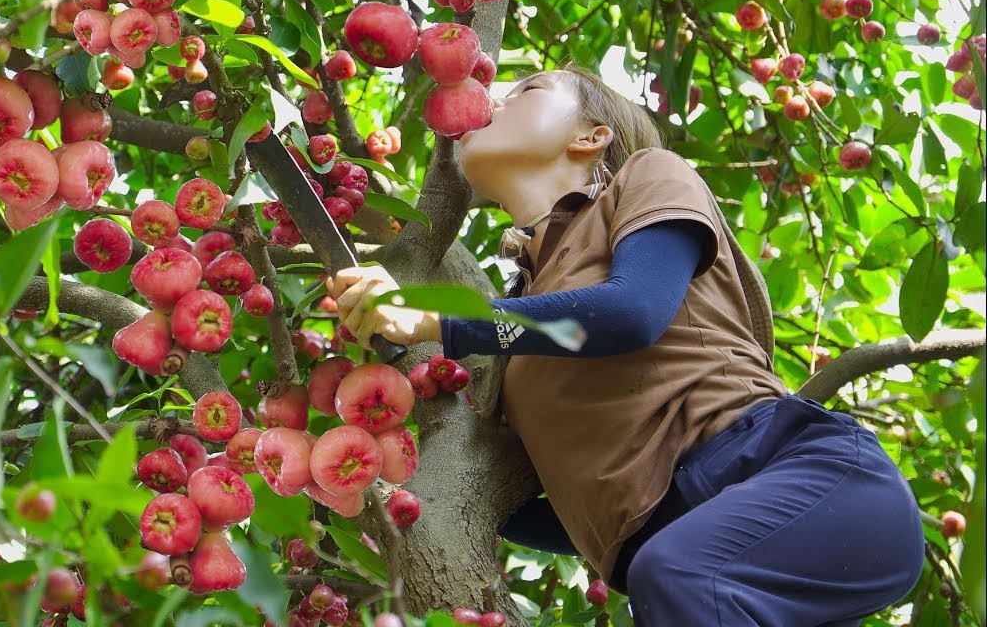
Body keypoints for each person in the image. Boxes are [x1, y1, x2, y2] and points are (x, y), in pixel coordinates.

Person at [326, 65, 925, 626]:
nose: (496, 99)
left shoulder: (648, 175)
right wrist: (383, 479)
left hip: (800, 478)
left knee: (673, 571)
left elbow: (632, 313)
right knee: (668, 572)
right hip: (701, 561)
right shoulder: (520, 349)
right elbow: (566, 510)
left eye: (526, 89)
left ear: (592, 137)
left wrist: (443, 321)